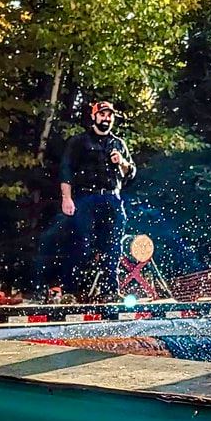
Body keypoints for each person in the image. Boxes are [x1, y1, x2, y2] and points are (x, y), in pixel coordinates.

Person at [59, 102, 136, 301]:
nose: (106, 118)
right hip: (86, 198)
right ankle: (71, 291)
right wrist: (67, 198)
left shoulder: (118, 144)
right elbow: (66, 171)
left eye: (109, 115)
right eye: (102, 114)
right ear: (94, 117)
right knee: (82, 244)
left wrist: (122, 162)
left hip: (112, 198)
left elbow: (131, 173)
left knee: (113, 247)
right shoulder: (79, 142)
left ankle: (110, 292)